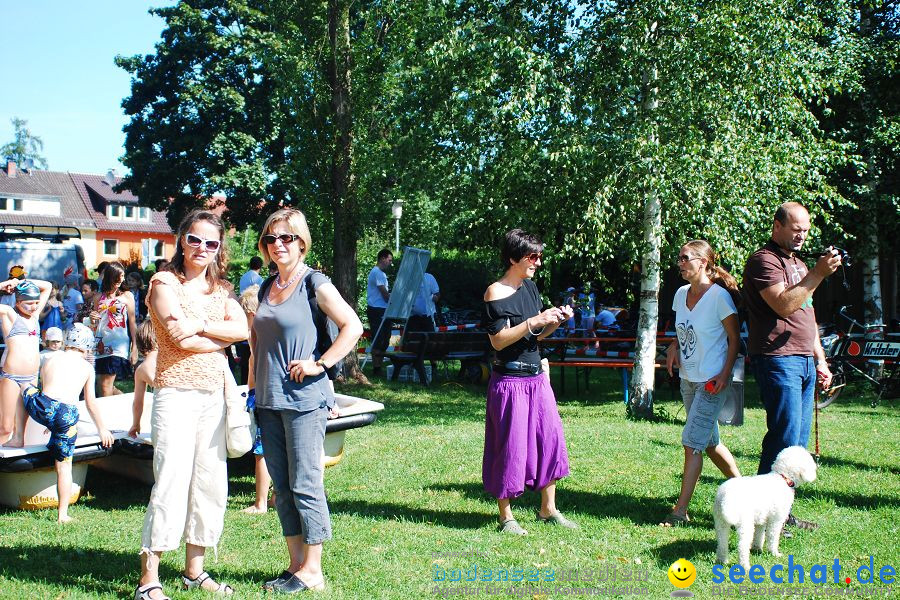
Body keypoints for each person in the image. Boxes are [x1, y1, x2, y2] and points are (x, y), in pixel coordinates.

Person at [135, 209, 248, 600]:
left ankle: (193, 571)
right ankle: (149, 579)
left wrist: (199, 326)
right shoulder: (164, 282)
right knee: (170, 482)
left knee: (210, 483)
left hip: (213, 396)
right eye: (195, 239)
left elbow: (243, 329)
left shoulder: (222, 291)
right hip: (175, 394)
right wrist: (221, 339)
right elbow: (179, 340)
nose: (202, 248)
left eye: (211, 243)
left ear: (219, 250)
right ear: (182, 240)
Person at [250, 208, 362, 593]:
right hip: (268, 400)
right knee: (281, 485)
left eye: (286, 238)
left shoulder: (315, 283)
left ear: (301, 241)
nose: (277, 245)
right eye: (270, 239)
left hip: (304, 400)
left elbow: (353, 325)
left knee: (305, 483)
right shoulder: (266, 287)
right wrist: (251, 389)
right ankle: (295, 564)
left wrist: (322, 364)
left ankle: (313, 569)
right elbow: (256, 344)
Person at [743, 201, 840, 534]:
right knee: (782, 438)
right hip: (777, 358)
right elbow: (783, 305)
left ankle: (781, 515)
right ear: (777, 225)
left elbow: (806, 315)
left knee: (796, 444)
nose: (802, 236)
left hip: (804, 359)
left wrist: (821, 359)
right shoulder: (763, 261)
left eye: (806, 231)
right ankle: (758, 512)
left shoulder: (797, 263)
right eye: (796, 229)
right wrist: (818, 274)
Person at [482, 229, 576, 535]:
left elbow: (534, 334)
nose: (537, 262)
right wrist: (533, 321)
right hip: (509, 380)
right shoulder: (494, 292)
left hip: (536, 378)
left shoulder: (530, 288)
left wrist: (553, 322)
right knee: (510, 447)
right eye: (532, 256)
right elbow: (498, 341)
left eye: (539, 256)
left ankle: (548, 509)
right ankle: (506, 517)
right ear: (513, 258)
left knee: (550, 440)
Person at [661, 240, 742, 526]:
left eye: (685, 258)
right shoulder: (681, 293)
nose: (680, 263)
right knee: (709, 442)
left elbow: (735, 338)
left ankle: (680, 511)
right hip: (688, 380)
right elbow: (683, 329)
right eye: (679, 258)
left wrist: (724, 373)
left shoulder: (719, 297)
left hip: (712, 381)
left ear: (703, 263)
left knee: (691, 442)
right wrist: (673, 346)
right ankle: (743, 490)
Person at [22, 323, 113, 523]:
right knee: (64, 466)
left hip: (45, 408)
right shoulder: (87, 367)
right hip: (67, 414)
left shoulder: (50, 359)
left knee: (25, 389)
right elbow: (90, 403)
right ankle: (62, 514)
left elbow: (44, 392)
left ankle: (18, 436)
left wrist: (48, 421)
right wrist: (102, 429)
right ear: (87, 347)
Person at [0, 278, 52, 447]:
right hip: (12, 377)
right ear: (18, 301)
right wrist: (4, 285)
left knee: (19, 434)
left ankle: (15, 445)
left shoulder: (35, 316)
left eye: (37, 302)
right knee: (5, 427)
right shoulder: (10, 314)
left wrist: (21, 280)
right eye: (29, 303)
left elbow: (48, 286)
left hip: (30, 378)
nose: (34, 307)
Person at [237, 284, 273, 514]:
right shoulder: (267, 334)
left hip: (262, 397)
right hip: (264, 394)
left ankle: (260, 502)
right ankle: (277, 496)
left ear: (251, 314)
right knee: (277, 451)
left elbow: (257, 368)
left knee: (262, 452)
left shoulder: (256, 334)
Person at [91, 262, 138, 397]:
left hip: (118, 343)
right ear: (109, 277)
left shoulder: (127, 296)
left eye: (122, 276)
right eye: (117, 276)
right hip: (101, 343)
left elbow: (132, 322)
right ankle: (126, 402)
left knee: (105, 385)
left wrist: (134, 347)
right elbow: (96, 324)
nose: (120, 280)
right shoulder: (98, 298)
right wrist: (93, 319)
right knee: (102, 384)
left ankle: (107, 416)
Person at [128, 320, 157, 439]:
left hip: (164, 410)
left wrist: (136, 424)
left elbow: (138, 403)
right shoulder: (171, 358)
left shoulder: (142, 369)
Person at [366, 249, 392, 375]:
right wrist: (396, 299)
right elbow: (385, 294)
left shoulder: (381, 274)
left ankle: (378, 366)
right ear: (382, 258)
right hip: (376, 310)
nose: (390, 263)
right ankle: (376, 369)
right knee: (378, 338)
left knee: (385, 339)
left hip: (383, 309)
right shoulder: (377, 272)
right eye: (389, 260)